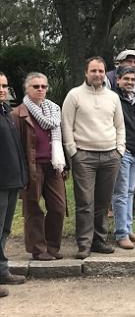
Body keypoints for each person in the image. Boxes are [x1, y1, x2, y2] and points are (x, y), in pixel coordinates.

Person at [62, 57, 125, 259]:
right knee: (85, 202)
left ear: (105, 73)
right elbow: (66, 126)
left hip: (110, 156)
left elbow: (120, 126)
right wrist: (73, 152)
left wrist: (119, 150)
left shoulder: (113, 97)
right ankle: (84, 243)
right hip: (84, 157)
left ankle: (99, 240)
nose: (97, 74)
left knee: (103, 202)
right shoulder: (74, 96)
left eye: (101, 71)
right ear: (86, 73)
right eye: (93, 71)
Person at [12, 72, 66, 260]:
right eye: (36, 86)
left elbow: (60, 138)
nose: (41, 90)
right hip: (32, 169)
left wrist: (64, 164)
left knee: (58, 208)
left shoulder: (54, 110)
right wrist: (21, 173)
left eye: (44, 86)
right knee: (33, 209)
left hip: (54, 165)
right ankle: (38, 249)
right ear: (27, 89)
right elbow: (16, 146)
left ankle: (52, 247)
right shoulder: (18, 114)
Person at [112, 67, 135, 249]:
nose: (129, 82)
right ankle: (121, 233)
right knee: (120, 193)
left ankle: (128, 229)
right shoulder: (114, 99)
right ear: (118, 80)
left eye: (132, 79)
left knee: (130, 192)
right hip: (122, 150)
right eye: (126, 78)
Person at [0, 72, 27, 296]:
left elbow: (15, 149)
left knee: (5, 229)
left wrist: (21, 177)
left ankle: (2, 270)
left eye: (5, 86)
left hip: (11, 180)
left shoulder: (6, 111)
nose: (2, 90)